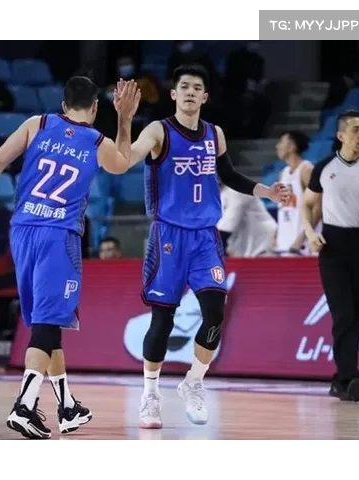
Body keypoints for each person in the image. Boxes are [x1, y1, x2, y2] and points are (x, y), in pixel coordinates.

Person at [0, 76, 141, 439]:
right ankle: (24, 405)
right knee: (46, 325)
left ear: (63, 104)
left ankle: (67, 405)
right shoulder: (97, 141)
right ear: (95, 108)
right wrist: (124, 118)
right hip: (59, 235)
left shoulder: (37, 124)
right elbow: (122, 164)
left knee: (49, 322)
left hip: (22, 231)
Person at [113, 65, 289, 428]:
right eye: (184, 87)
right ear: (174, 94)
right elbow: (124, 160)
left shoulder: (214, 133)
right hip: (168, 236)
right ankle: (150, 394)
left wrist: (267, 191)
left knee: (214, 313)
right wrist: (124, 120)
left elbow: (229, 176)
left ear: (205, 97)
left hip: (206, 236)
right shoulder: (158, 130)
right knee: (162, 320)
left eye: (197, 87)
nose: (190, 92)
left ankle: (193, 381)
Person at [301, 109, 359, 402]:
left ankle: (342, 379)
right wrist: (309, 232)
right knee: (343, 314)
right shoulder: (324, 167)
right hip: (334, 247)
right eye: (355, 129)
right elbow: (307, 203)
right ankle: (349, 377)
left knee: (356, 315)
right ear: (341, 135)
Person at [274, 131, 321, 256]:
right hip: (285, 241)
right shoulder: (283, 173)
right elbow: (283, 208)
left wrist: (302, 238)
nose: (277, 146)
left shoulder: (306, 170)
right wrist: (275, 236)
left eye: (281, 142)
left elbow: (318, 208)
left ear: (292, 146)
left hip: (303, 243)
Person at [217, 181, 277, 257]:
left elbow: (226, 228)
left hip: (264, 243)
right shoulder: (220, 193)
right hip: (243, 244)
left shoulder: (237, 191)